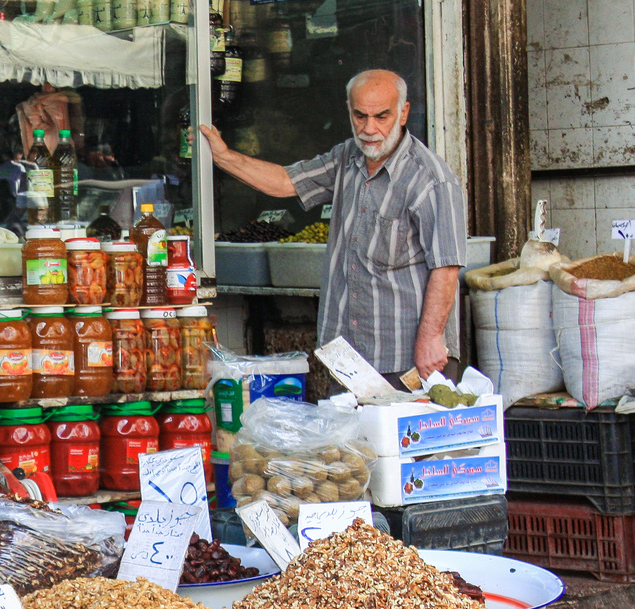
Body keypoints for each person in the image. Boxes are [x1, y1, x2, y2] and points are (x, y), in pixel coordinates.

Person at [200, 69, 467, 380]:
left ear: (403, 112)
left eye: (382, 116)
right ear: (348, 110)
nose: (369, 128)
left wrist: (431, 338)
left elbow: (446, 268)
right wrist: (224, 157)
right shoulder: (347, 157)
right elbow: (287, 182)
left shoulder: (431, 180)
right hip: (346, 357)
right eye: (360, 116)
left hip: (406, 359)